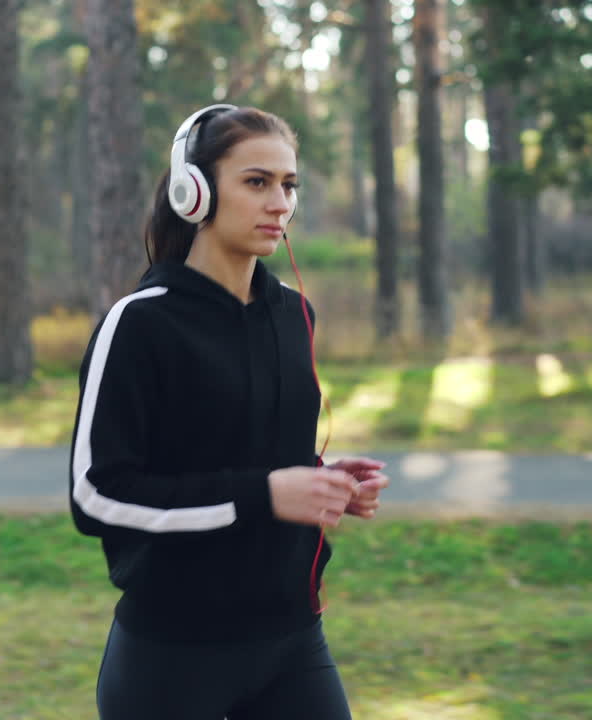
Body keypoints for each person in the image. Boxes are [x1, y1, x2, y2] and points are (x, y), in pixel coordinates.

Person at [69, 104, 389, 720]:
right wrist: (265, 495)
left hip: (293, 639)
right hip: (171, 658)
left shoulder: (295, 315)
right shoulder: (139, 325)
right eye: (256, 182)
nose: (281, 203)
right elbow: (96, 495)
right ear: (195, 192)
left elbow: (252, 453)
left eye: (289, 185)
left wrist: (322, 478)